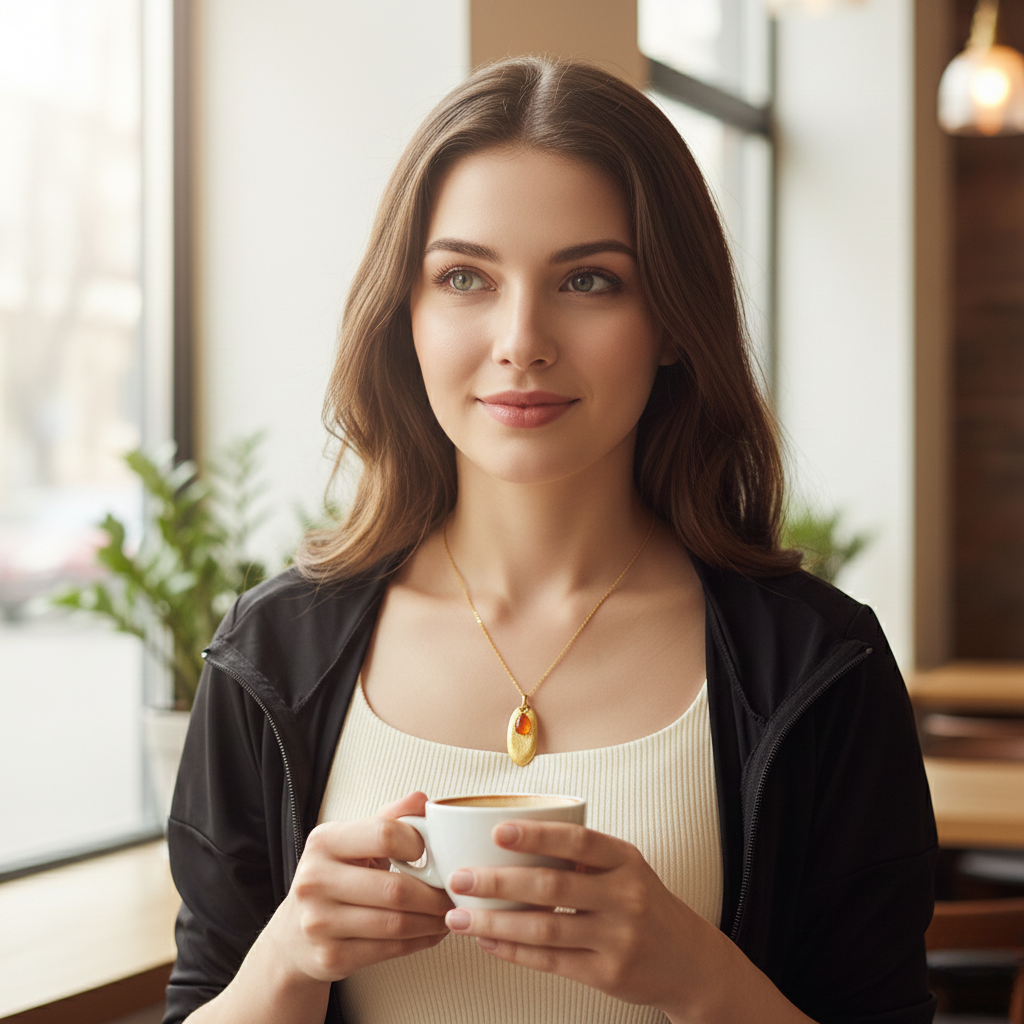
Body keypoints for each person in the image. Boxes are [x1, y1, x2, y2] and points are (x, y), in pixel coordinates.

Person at [163, 56, 937, 1024]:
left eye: (588, 279)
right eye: (463, 277)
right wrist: (283, 964)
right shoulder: (270, 651)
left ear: (670, 321)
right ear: (406, 316)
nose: (521, 338)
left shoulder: (820, 664)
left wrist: (700, 978)